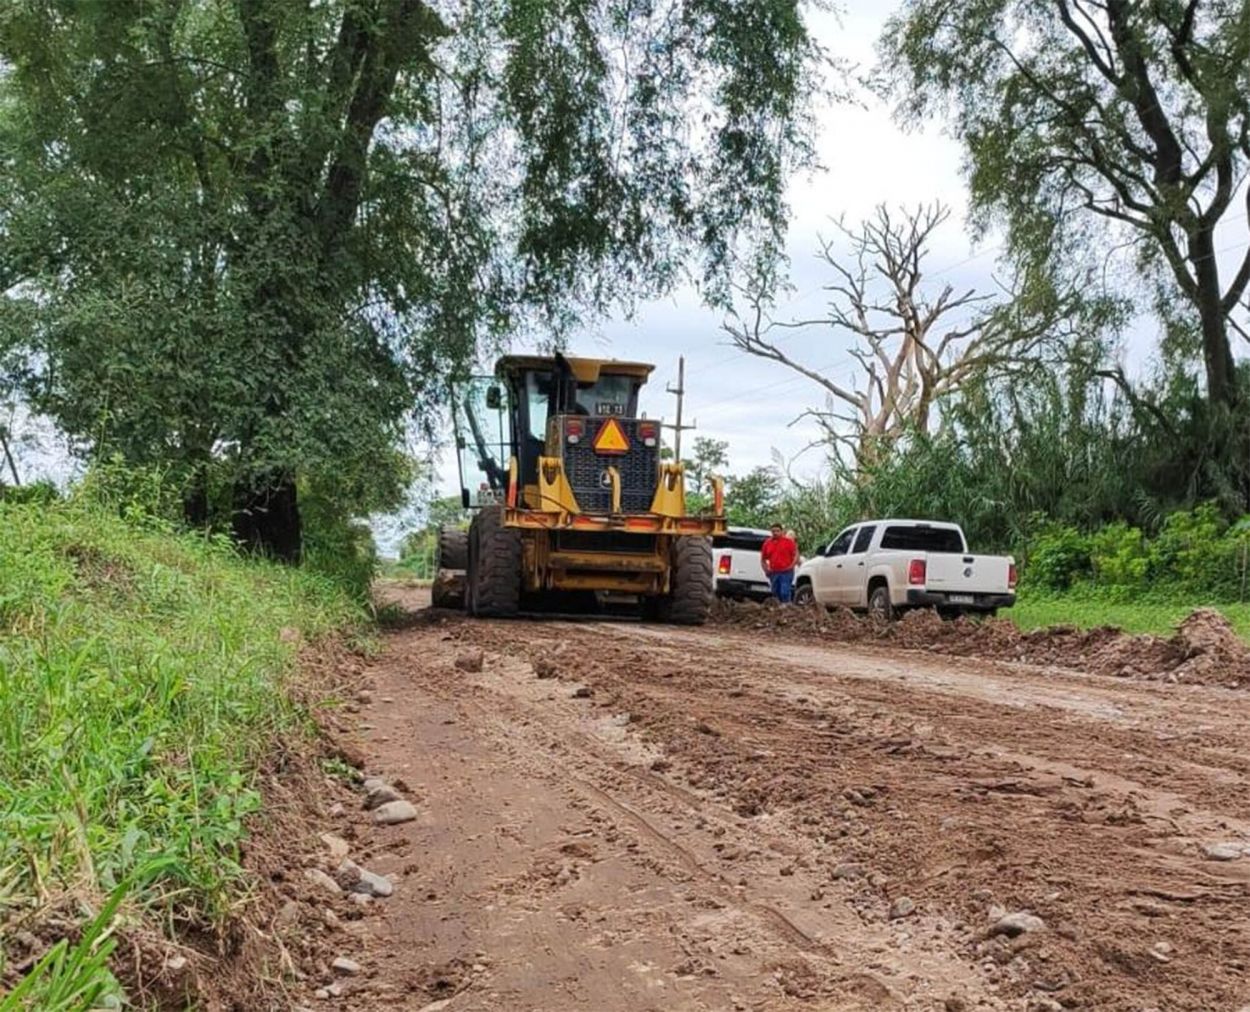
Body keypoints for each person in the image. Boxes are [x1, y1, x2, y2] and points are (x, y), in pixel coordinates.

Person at [760, 523, 799, 604]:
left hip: (786, 572)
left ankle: (786, 608)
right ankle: (778, 611)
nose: (775, 533)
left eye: (777, 531)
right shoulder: (767, 543)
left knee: (784, 592)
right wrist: (766, 570)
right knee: (775, 593)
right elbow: (763, 559)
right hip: (774, 572)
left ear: (782, 531)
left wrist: (791, 566)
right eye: (773, 531)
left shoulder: (789, 542)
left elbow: (796, 555)